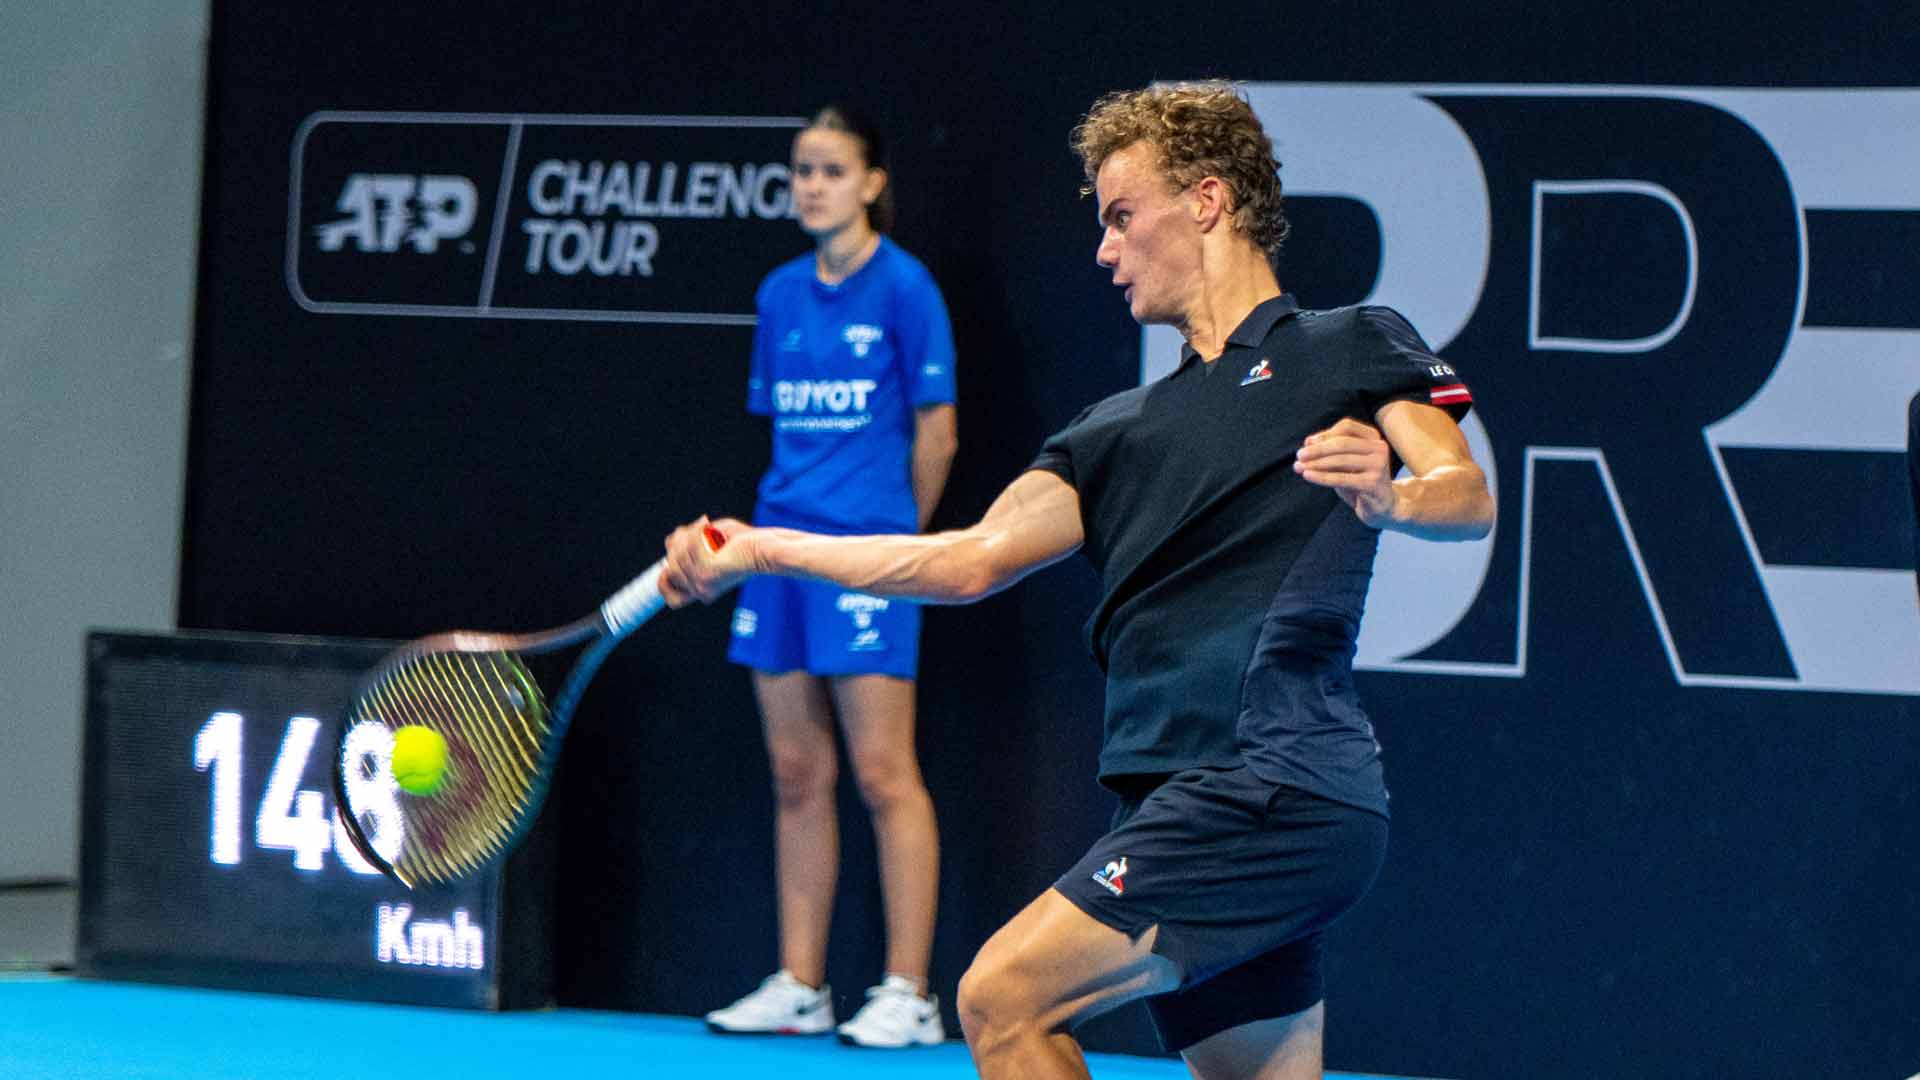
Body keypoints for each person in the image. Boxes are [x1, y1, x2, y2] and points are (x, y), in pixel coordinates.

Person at [666, 82, 1494, 1080]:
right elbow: (963, 561)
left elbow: (1464, 490)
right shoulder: (1109, 434)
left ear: (1207, 199)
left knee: (1000, 999)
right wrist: (763, 548)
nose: (1103, 249)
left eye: (1120, 215)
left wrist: (1391, 497)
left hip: (1267, 784)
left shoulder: (1349, 346)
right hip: (1182, 802)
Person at [700, 106, 959, 1050]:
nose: (812, 186)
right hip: (775, 554)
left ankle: (909, 992)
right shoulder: (778, 295)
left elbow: (938, 434)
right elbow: (783, 430)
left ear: (873, 182)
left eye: (831, 171)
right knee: (795, 771)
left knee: (886, 772)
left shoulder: (907, 288)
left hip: (868, 558)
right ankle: (803, 984)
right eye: (802, 170)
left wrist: (898, 546)